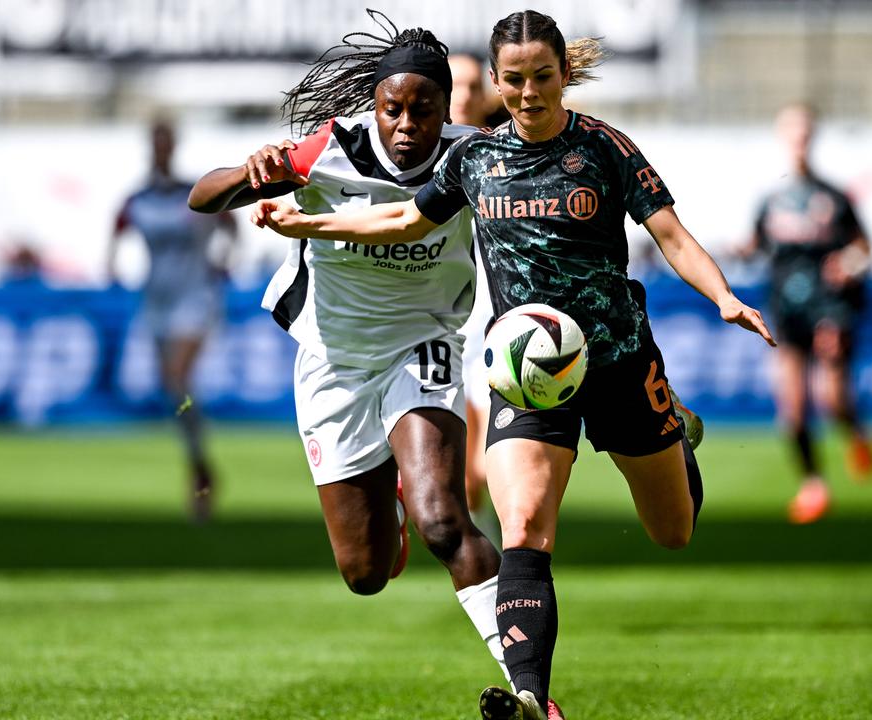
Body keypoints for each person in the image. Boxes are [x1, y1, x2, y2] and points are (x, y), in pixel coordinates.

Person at [248, 10, 775, 719]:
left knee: (672, 530)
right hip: (528, 373)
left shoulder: (605, 147)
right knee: (522, 526)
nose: (530, 92)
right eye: (516, 80)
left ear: (563, 75)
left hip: (617, 358)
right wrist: (307, 222)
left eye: (543, 77)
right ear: (498, 83)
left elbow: (671, 235)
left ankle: (674, 433)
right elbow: (404, 220)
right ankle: (530, 693)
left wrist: (724, 297)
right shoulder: (473, 160)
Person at [187, 13, 547, 714]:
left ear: (449, 109)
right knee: (365, 573)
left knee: (447, 518)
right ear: (373, 106)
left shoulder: (474, 158)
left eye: (424, 109)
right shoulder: (328, 151)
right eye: (393, 108)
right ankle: (391, 518)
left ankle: (531, 688)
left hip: (424, 345)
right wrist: (249, 172)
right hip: (332, 365)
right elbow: (203, 197)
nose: (407, 123)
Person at [747, 103, 872, 525]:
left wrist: (849, 265)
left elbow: (864, 249)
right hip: (787, 308)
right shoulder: (773, 200)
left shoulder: (833, 197)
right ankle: (814, 484)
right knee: (793, 409)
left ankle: (855, 431)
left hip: (831, 307)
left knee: (833, 397)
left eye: (805, 132)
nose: (799, 140)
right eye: (792, 132)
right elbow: (756, 245)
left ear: (813, 137)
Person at [110, 119, 234, 524]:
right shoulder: (139, 198)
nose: (161, 149)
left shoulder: (191, 193)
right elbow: (116, 233)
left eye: (166, 142)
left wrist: (223, 262)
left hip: (195, 299)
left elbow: (230, 223)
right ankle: (198, 456)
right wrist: (111, 270)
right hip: (157, 303)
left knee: (178, 379)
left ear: (173, 146)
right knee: (174, 390)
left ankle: (199, 471)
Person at [446, 52, 501, 543]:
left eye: (470, 85)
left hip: (489, 320)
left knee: (486, 462)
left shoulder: (504, 156)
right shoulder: (418, 158)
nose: (461, 95)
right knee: (462, 470)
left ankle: (493, 547)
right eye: (452, 85)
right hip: (438, 323)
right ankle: (484, 545)